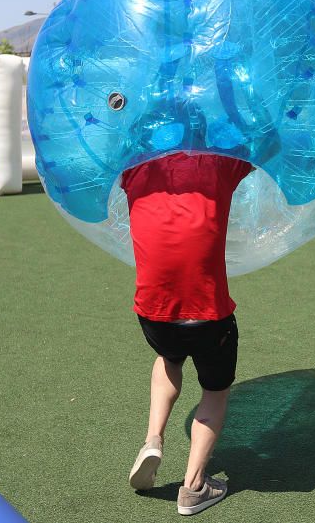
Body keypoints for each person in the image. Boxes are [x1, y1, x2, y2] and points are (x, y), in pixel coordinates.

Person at [120, 151, 252, 516]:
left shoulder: (133, 169)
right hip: (209, 316)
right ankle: (194, 486)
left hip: (153, 315)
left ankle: (152, 440)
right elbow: (263, 145)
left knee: (169, 357)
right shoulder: (221, 164)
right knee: (214, 390)